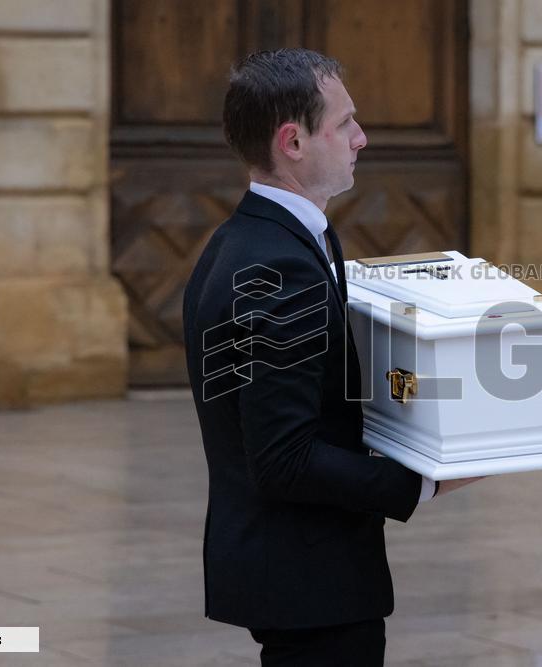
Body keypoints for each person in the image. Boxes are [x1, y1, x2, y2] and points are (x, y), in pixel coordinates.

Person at [182, 48, 478, 665]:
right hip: (310, 578)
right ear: (292, 141)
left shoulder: (242, 241)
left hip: (286, 568)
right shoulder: (280, 264)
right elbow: (283, 458)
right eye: (344, 124)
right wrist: (423, 482)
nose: (361, 139)